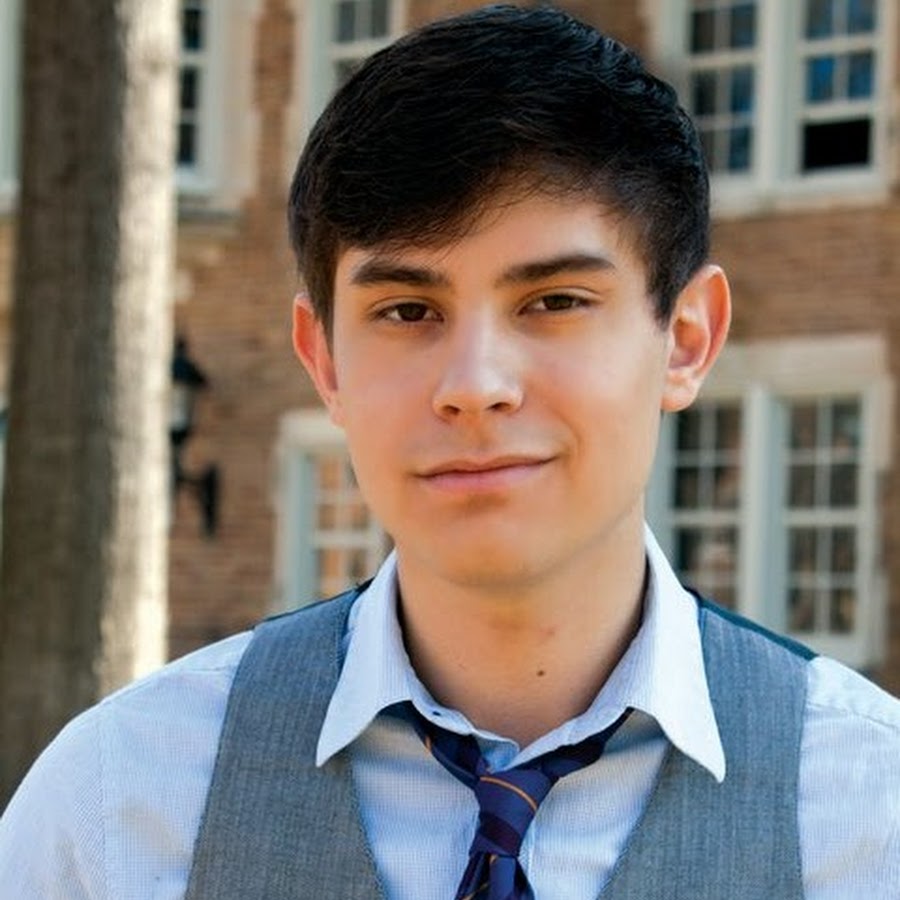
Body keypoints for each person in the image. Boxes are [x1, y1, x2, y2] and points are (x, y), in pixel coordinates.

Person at [1, 5, 898, 898]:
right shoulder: (118, 806)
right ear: (325, 361)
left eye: (554, 302)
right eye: (407, 311)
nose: (475, 384)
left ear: (687, 339)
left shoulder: (871, 813)